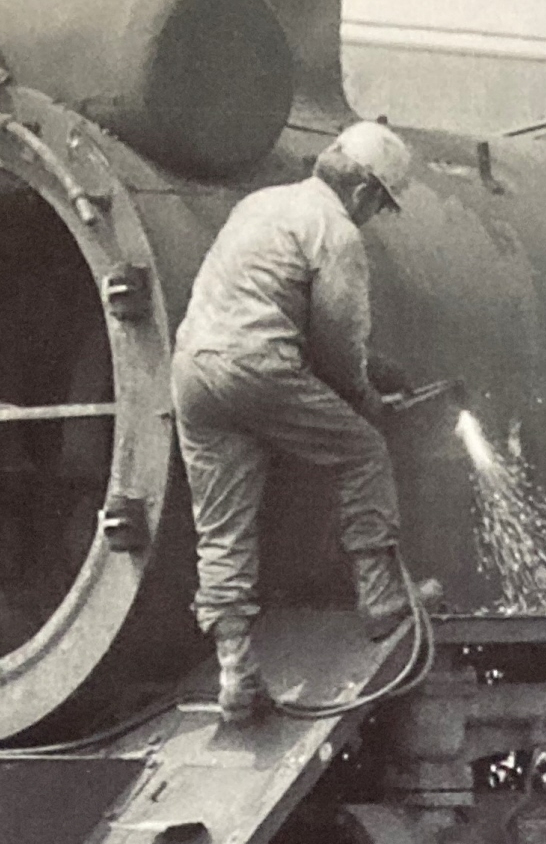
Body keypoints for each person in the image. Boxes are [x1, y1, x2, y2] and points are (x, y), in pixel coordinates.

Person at [171, 118, 422, 721]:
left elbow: (265, 300)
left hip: (193, 371)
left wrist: (372, 368)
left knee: (224, 525)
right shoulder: (336, 231)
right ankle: (382, 600)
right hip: (257, 367)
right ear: (364, 192)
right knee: (361, 450)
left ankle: (235, 669)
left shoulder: (262, 204)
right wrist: (364, 395)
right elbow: (336, 342)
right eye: (380, 206)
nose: (374, 216)